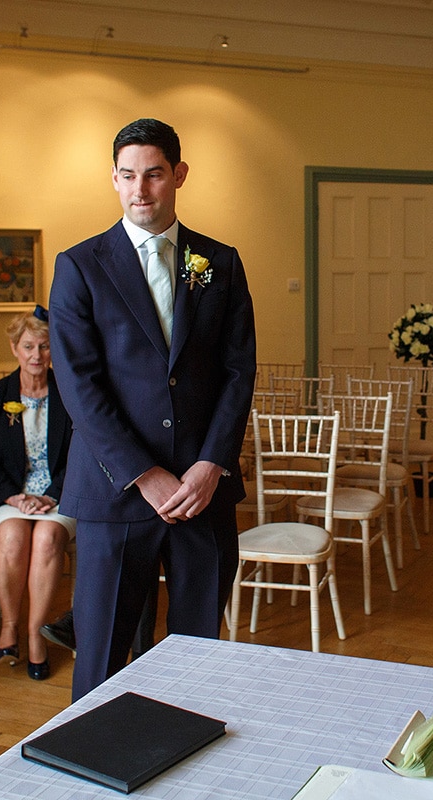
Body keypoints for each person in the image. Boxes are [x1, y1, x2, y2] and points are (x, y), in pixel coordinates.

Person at [50, 117, 256, 701]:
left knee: (198, 655)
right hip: (116, 495)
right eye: (126, 176)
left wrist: (211, 463)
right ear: (113, 180)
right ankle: (94, 769)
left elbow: (238, 372)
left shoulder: (221, 262)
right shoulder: (81, 266)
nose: (140, 190)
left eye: (154, 175)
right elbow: (80, 385)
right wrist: (144, 473)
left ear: (179, 176)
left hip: (202, 492)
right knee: (100, 660)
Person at [0, 307, 74, 680]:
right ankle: (10, 626)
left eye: (44, 347)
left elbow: (82, 454)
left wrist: (51, 495)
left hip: (60, 495)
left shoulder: (70, 394)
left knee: (46, 538)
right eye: (28, 346)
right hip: (8, 497)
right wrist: (13, 497)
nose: (36, 355)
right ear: (15, 348)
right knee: (13, 536)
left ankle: (37, 633)